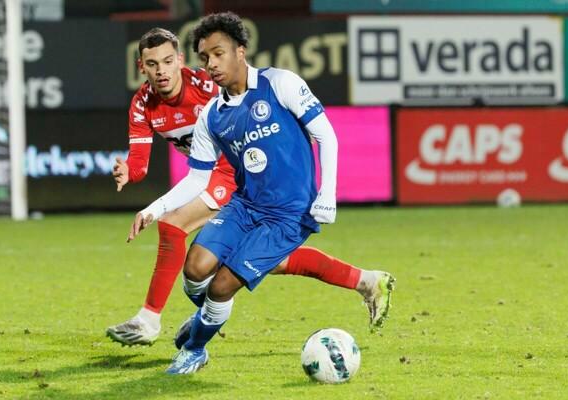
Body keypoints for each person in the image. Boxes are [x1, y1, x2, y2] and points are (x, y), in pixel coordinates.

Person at [107, 27, 395, 348]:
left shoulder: (206, 85)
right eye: (152, 64)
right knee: (270, 261)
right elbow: (140, 164)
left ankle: (152, 319)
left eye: (166, 62)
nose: (161, 71)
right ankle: (366, 280)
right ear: (141, 67)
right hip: (209, 172)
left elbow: (249, 108)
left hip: (234, 172)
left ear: (179, 61)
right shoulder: (142, 104)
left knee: (173, 226)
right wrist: (127, 172)